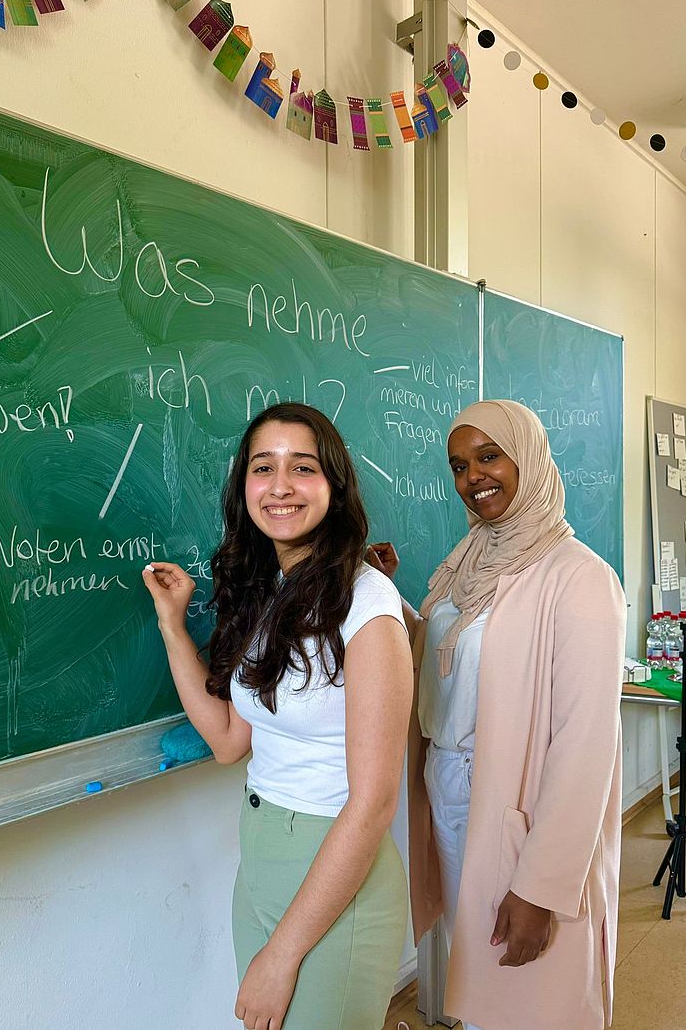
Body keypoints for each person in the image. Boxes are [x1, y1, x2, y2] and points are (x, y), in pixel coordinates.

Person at [142, 402, 413, 1030]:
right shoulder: (272, 592)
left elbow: (373, 802)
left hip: (334, 872)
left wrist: (283, 955)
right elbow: (229, 740)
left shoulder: (368, 605)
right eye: (264, 467)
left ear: (334, 486)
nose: (281, 485)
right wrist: (173, 627)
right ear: (245, 486)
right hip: (261, 859)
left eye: (303, 467)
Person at [369, 399, 626, 1030]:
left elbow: (585, 747)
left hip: (519, 808)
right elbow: (455, 657)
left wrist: (540, 886)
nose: (472, 477)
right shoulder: (470, 560)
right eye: (459, 465)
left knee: (530, 989)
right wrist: (385, 597)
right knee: (481, 974)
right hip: (452, 792)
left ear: (528, 459)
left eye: (490, 457)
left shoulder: (579, 578)